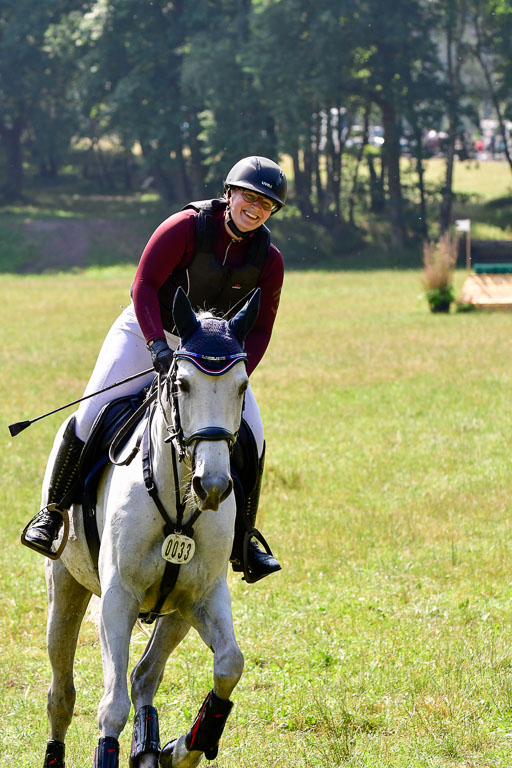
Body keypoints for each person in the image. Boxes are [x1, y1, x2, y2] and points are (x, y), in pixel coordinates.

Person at [22, 155, 287, 583]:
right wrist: (157, 346)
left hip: (214, 357)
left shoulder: (269, 260)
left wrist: (236, 374)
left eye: (267, 204)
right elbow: (142, 285)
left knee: (252, 438)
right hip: (149, 328)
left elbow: (260, 330)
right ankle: (52, 514)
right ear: (229, 193)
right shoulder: (185, 227)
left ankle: (245, 542)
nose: (255, 208)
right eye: (249, 196)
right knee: (91, 414)